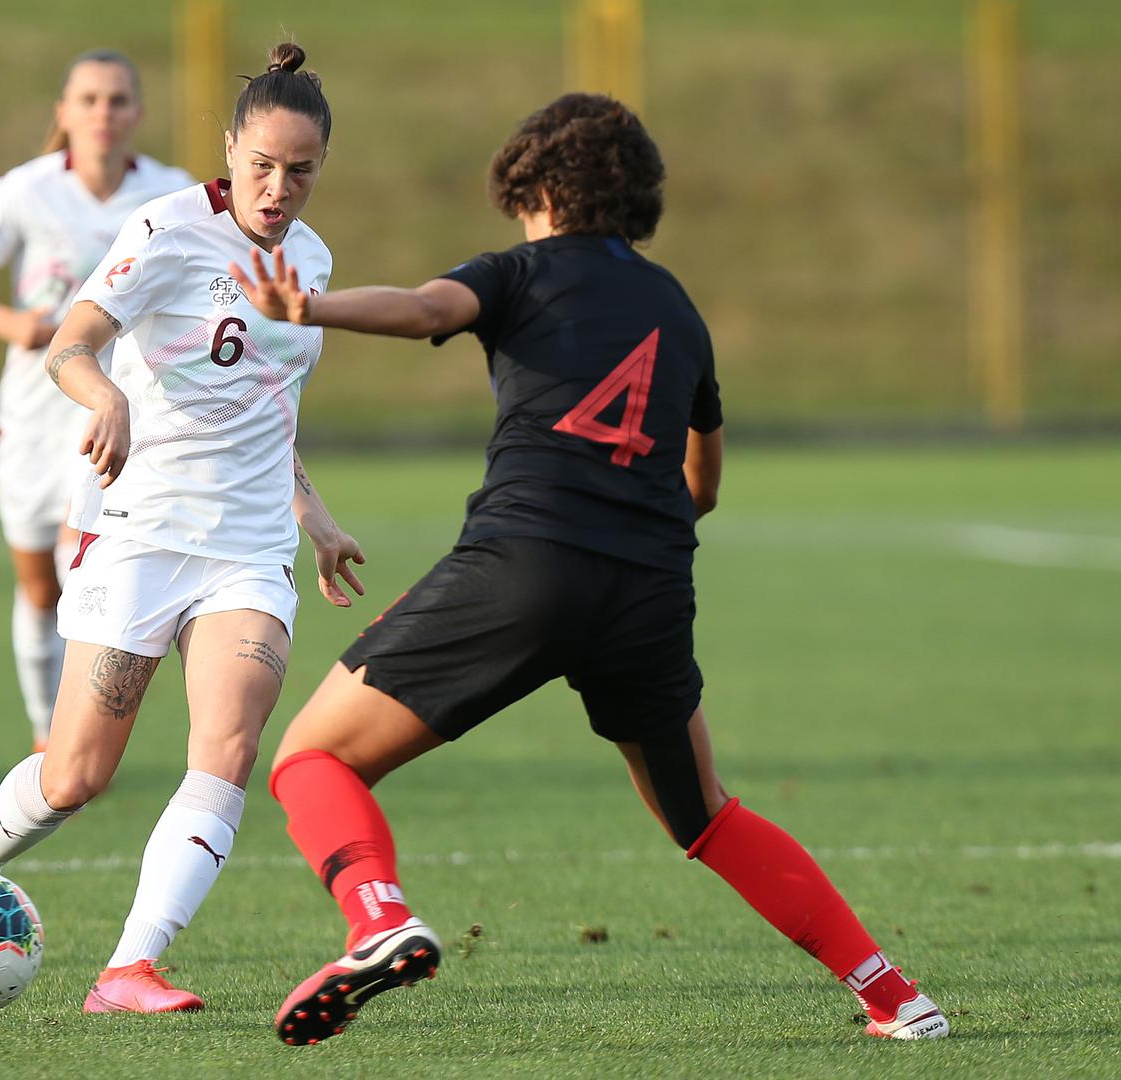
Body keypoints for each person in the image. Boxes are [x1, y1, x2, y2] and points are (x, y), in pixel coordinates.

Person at [230, 92, 951, 1045]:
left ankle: (378, 920)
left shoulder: (518, 271)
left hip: (526, 565)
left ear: (531, 185)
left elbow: (424, 309)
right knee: (704, 816)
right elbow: (703, 484)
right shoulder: (677, 308)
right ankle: (895, 995)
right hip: (649, 588)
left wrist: (311, 306)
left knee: (311, 759)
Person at [0, 42, 364, 1014]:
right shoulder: (164, 231)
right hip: (140, 531)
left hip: (247, 548)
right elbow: (70, 344)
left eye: (302, 170)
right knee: (76, 776)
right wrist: (104, 395)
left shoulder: (311, 261)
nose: (278, 189)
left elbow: (269, 412)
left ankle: (129, 969)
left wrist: (314, 518)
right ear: (229, 148)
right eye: (262, 165)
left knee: (228, 748)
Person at [0, 51, 194, 752]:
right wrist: (16, 325)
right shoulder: (26, 191)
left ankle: (71, 741)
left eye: (118, 99)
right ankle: (42, 731)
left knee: (81, 575)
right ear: (64, 112)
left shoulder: (170, 195)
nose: (104, 113)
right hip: (31, 418)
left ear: (138, 113)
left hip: (118, 413)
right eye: (89, 99)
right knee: (39, 590)